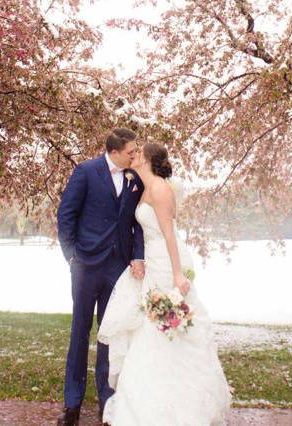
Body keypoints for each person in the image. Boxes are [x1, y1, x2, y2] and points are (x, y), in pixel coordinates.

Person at [98, 142, 232, 425]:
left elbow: (170, 235)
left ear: (147, 159)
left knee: (167, 328)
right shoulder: (144, 187)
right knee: (151, 328)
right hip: (153, 263)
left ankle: (179, 406)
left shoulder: (159, 188)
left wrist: (177, 275)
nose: (133, 156)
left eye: (138, 153)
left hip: (167, 262)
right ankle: (146, 402)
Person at [56, 128, 146, 426]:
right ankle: (72, 405)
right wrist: (71, 255)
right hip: (85, 265)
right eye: (131, 150)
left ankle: (107, 404)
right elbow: (66, 214)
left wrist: (136, 255)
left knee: (109, 334)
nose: (135, 155)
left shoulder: (135, 180)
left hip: (117, 268)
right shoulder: (86, 171)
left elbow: (137, 224)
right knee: (79, 333)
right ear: (115, 150)